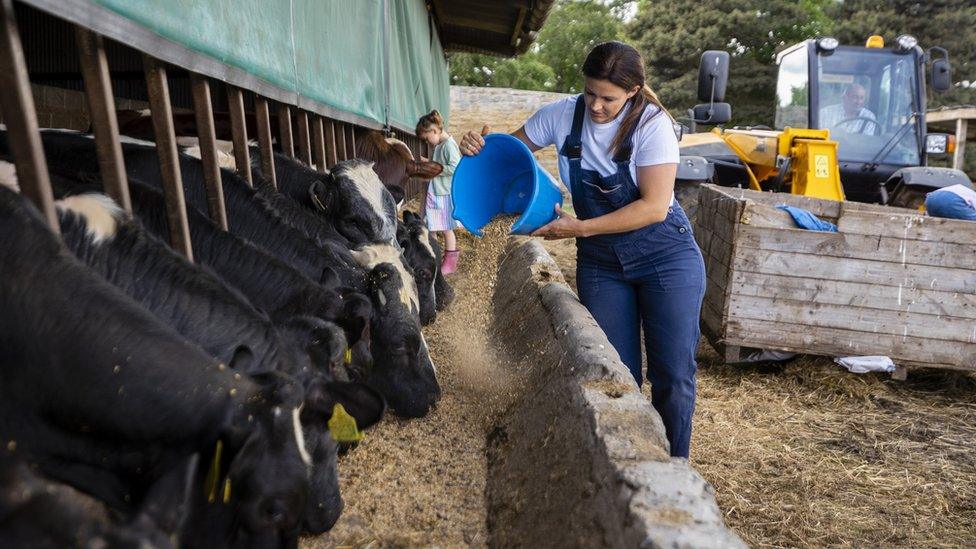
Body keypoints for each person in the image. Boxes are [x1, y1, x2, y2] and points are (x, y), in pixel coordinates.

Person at [459, 41, 704, 459]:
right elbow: (509, 155)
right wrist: (476, 147)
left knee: (674, 376)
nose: (596, 106)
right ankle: (625, 460)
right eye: (590, 93)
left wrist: (580, 228)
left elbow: (653, 206)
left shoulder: (652, 125)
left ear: (633, 91)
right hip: (604, 263)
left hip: (664, 256)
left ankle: (673, 463)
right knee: (615, 372)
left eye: (608, 98)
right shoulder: (560, 115)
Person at [416, 110, 462, 275]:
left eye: (427, 139)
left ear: (434, 131)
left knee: (446, 228)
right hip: (435, 193)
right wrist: (429, 163)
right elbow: (440, 164)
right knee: (432, 227)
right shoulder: (439, 145)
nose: (428, 143)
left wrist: (434, 167)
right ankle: (434, 259)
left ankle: (450, 263)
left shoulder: (449, 145)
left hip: (443, 194)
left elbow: (455, 167)